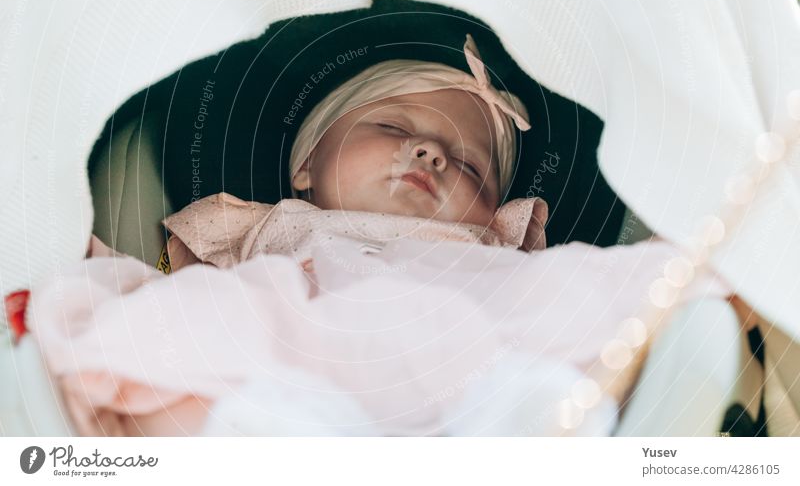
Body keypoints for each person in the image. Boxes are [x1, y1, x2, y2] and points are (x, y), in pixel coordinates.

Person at [27, 35, 731, 437]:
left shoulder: (492, 255)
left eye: (468, 163)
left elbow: (592, 285)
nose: (430, 153)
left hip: (464, 337)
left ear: (496, 220)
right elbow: (174, 289)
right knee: (189, 340)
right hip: (290, 348)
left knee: (601, 304)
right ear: (304, 167)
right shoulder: (259, 228)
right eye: (392, 128)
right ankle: (279, 432)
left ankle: (517, 417)